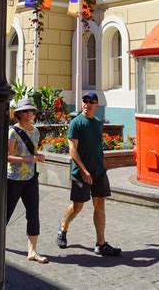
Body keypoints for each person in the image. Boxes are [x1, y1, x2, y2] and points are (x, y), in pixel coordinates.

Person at [56, 92, 121, 256]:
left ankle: (101, 243)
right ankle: (63, 227)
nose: (87, 104)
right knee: (78, 207)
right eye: (85, 101)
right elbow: (72, 149)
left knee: (100, 203)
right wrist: (84, 171)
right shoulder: (76, 123)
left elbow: (96, 146)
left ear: (96, 105)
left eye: (91, 101)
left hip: (98, 172)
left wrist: (100, 165)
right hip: (80, 173)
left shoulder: (98, 123)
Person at [7, 97, 49, 264]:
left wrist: (39, 157)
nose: (29, 113)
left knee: (33, 213)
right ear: (19, 113)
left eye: (31, 110)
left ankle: (32, 251)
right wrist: (28, 158)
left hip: (31, 178)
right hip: (14, 179)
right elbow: (7, 157)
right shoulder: (13, 132)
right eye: (25, 111)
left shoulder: (36, 132)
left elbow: (33, 154)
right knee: (6, 211)